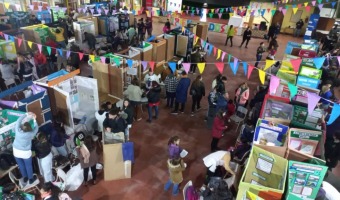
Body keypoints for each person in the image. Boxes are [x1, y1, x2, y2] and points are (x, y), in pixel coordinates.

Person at [13, 112, 39, 187]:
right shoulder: (31, 134)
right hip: (25, 152)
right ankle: (31, 179)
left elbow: (18, 121)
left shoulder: (18, 131)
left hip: (16, 151)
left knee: (21, 165)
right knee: (28, 166)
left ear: (22, 127)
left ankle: (25, 177)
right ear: (29, 128)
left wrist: (26, 114)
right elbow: (36, 128)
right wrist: (34, 119)